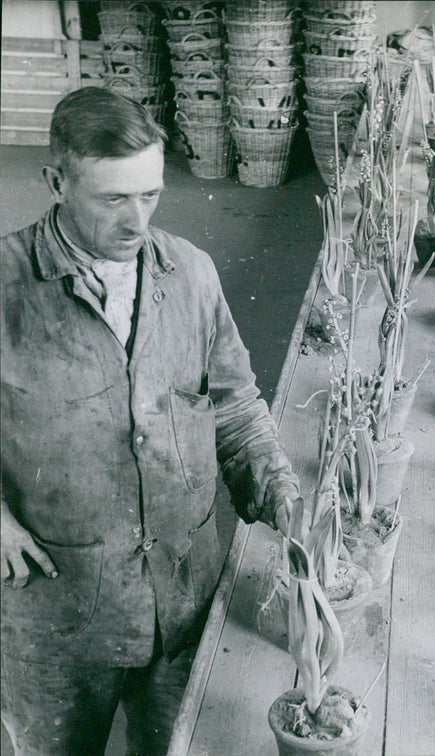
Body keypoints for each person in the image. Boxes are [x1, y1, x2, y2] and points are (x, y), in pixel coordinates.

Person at [0, 87, 301, 755]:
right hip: (55, 615)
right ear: (56, 182)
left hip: (180, 595)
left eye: (150, 195)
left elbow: (235, 404)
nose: (137, 221)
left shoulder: (189, 273)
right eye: (113, 199)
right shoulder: (6, 285)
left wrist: (275, 483)